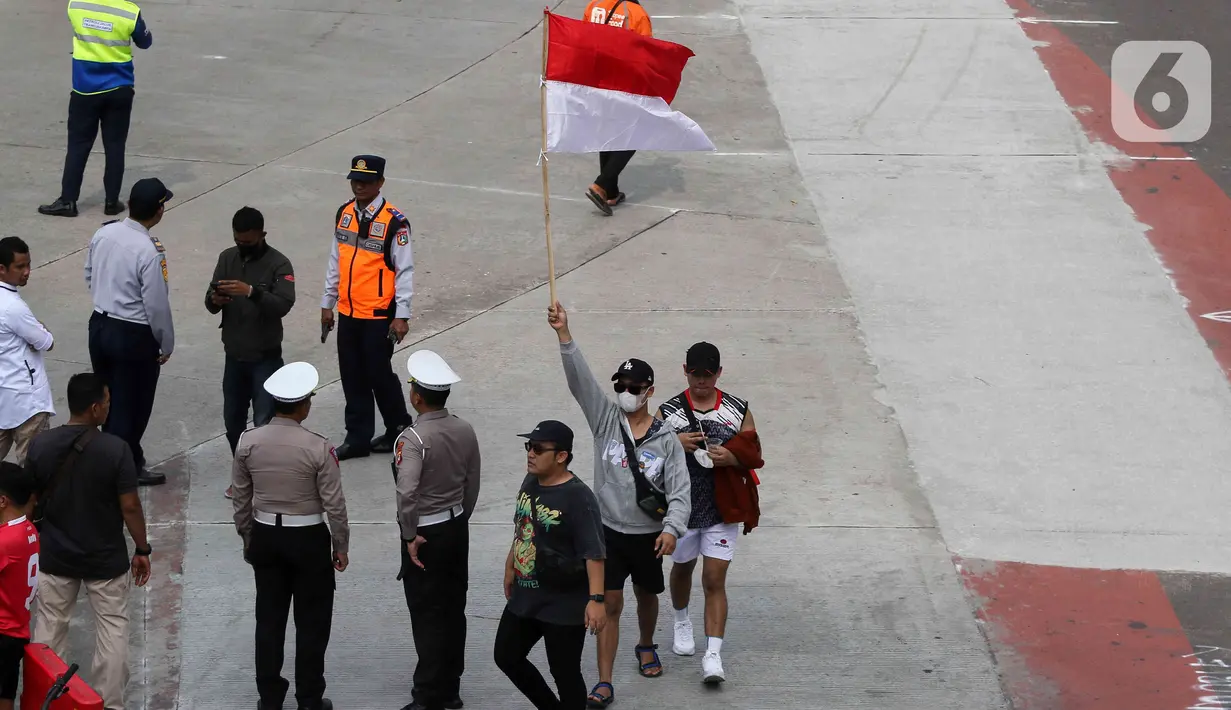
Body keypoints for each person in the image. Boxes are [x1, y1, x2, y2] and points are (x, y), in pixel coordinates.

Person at [545, 301, 690, 708]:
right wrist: (564, 335)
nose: (625, 393)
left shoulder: (666, 439)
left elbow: (680, 491)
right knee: (609, 601)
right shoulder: (605, 420)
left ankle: (646, 643)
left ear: (649, 391)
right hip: (606, 531)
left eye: (633, 387)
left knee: (647, 593)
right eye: (621, 386)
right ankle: (604, 681)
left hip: (648, 536)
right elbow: (581, 383)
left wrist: (671, 529)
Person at [27, 372, 151, 710]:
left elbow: (32, 499)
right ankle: (108, 704)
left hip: (55, 554)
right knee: (112, 632)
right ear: (95, 408)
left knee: (50, 629)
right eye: (107, 403)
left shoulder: (41, 444)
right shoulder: (115, 449)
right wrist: (142, 548)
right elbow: (130, 506)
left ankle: (48, 699)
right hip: (105, 558)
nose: (109, 409)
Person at [232, 361, 349, 710]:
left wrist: (248, 537)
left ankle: (269, 697)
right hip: (308, 538)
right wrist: (340, 545)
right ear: (304, 405)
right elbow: (335, 505)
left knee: (268, 620)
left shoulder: (248, 441)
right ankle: (309, 698)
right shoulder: (318, 446)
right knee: (312, 623)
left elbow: (241, 498)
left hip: (266, 536)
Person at [657, 342, 756, 684]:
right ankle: (682, 621)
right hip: (681, 511)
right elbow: (646, 457)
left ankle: (713, 655)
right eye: (695, 374)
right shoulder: (667, 411)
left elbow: (753, 452)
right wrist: (673, 443)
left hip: (721, 511)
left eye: (708, 375)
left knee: (714, 579)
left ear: (718, 373)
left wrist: (731, 458)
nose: (701, 381)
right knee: (682, 570)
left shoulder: (737, 409)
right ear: (685, 370)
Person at [495, 420, 607, 710]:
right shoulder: (531, 481)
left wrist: (596, 600)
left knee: (565, 672)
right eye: (529, 447)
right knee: (506, 655)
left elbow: (593, 552)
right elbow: (523, 524)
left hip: (565, 602)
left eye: (538, 449)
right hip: (528, 592)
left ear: (561, 456)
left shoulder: (578, 497)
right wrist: (511, 565)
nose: (530, 454)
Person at [393, 350, 481, 710]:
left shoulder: (412, 438)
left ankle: (427, 693)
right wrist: (461, 517)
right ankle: (451, 685)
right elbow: (472, 481)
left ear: (416, 396)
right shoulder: (464, 428)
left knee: (426, 612)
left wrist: (409, 534)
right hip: (456, 525)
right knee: (452, 607)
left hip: (425, 534)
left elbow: (406, 489)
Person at [320, 155, 414, 460]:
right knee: (351, 375)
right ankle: (357, 438)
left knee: (378, 373)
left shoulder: (395, 222)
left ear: (380, 183)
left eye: (366, 181)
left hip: (378, 314)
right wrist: (327, 302)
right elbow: (336, 261)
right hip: (348, 312)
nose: (359, 186)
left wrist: (401, 315)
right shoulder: (344, 213)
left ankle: (397, 427)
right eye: (355, 180)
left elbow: (404, 271)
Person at [84, 177, 174, 486]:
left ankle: (125, 460)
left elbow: (89, 273)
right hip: (133, 334)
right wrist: (165, 341)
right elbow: (156, 304)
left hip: (100, 324)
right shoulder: (149, 250)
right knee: (132, 405)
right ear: (159, 210)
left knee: (109, 399)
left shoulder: (104, 233)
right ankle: (120, 470)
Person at [205, 206, 296, 497]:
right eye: (238, 241)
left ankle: (263, 480)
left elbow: (283, 304)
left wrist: (252, 292)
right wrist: (216, 299)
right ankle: (244, 474)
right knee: (233, 422)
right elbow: (209, 302)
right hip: (234, 355)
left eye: (248, 241)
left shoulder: (279, 264)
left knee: (263, 424)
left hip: (265, 358)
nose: (242, 247)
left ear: (262, 234)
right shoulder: (226, 258)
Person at [38, 0, 154, 218]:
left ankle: (68, 200)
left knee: (78, 146)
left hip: (85, 90)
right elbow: (145, 42)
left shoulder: (77, 6)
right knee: (115, 146)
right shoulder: (129, 12)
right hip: (120, 89)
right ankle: (111, 201)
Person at [581, 0, 653, 216]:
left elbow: (582, 39)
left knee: (607, 131)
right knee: (634, 133)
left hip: (596, 78)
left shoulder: (594, 5)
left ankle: (610, 192)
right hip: (623, 82)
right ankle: (601, 184)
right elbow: (646, 53)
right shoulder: (636, 13)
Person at [0, 237, 54, 465]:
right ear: (2, 269)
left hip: (4, 396)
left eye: (28, 265)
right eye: (20, 267)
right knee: (34, 468)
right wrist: (40, 328)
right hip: (27, 401)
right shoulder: (14, 307)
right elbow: (46, 341)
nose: (27, 272)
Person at [0, 463, 38, 710]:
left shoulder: (4, 541)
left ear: (2, 501)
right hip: (17, 630)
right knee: (6, 694)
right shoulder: (29, 530)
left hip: (2, 632)